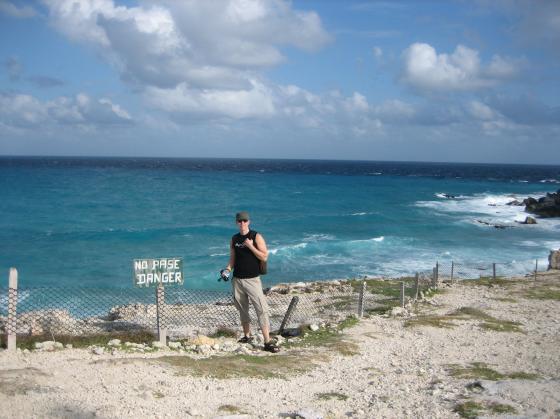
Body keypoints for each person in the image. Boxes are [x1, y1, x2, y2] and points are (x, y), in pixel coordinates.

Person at [222, 211, 279, 353]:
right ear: (236, 223)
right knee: (242, 309)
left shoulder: (255, 236)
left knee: (261, 309)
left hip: (253, 280)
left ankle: (267, 341)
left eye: (245, 221)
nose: (242, 223)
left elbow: (264, 257)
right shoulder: (234, 239)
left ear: (249, 221)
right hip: (237, 280)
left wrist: (251, 246)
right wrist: (227, 270)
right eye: (240, 221)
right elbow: (232, 259)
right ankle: (247, 336)